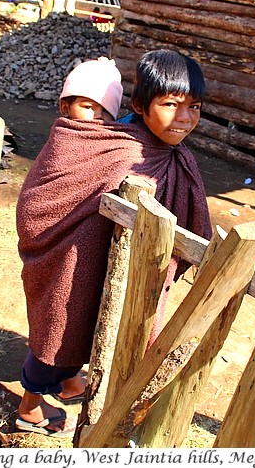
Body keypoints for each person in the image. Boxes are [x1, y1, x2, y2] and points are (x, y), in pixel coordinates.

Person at [15, 49, 212, 437]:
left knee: (93, 328)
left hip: (118, 264)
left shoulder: (169, 154)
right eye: (171, 104)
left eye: (194, 106)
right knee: (60, 328)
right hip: (71, 258)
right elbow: (44, 197)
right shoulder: (115, 146)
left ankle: (70, 382)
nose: (184, 117)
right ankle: (29, 409)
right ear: (140, 106)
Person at [57, 57, 122, 122]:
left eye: (107, 111)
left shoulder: (123, 131)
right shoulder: (58, 132)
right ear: (65, 108)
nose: (99, 116)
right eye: (88, 107)